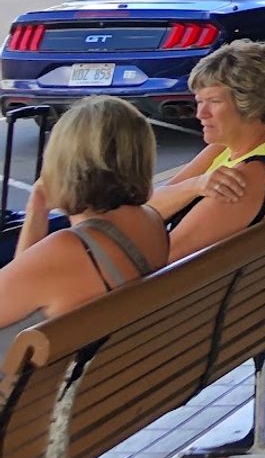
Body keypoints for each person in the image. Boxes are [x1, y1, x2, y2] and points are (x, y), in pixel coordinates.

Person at [0, 96, 167, 348]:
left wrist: (37, 210)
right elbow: (25, 280)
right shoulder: (152, 222)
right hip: (112, 375)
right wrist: (38, 210)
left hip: (39, 385)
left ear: (65, 162)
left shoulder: (68, 250)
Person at [151, 41, 265, 259]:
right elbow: (149, 209)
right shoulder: (226, 149)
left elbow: (165, 255)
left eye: (214, 101)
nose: (201, 113)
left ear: (251, 103)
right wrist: (195, 186)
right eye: (199, 101)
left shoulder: (252, 175)